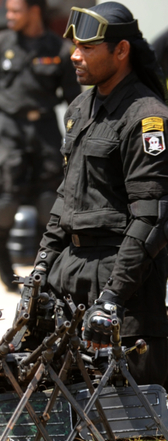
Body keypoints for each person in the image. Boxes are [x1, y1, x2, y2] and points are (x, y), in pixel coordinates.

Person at [35, 2, 168, 386]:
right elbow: (66, 198)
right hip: (69, 270)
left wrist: (112, 299)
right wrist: (43, 265)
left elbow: (153, 217)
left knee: (127, 409)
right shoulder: (79, 108)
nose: (75, 56)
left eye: (87, 47)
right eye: (75, 45)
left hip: (121, 280)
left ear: (121, 50)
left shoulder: (147, 117)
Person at [0, 0, 80, 292]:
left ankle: (45, 273)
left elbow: (75, 101)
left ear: (34, 11)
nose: (8, 16)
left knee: (50, 205)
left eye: (15, 11)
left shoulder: (59, 50)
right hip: (9, 132)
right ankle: (4, 269)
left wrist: (75, 140)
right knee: (5, 204)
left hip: (45, 131)